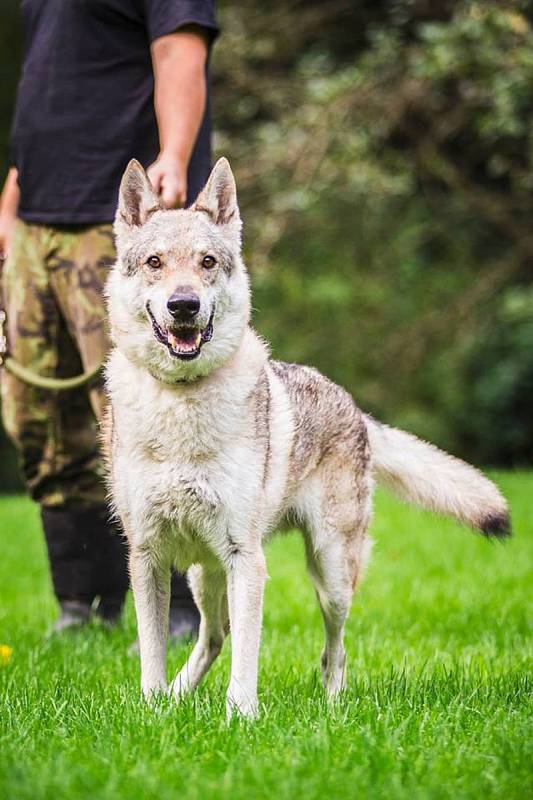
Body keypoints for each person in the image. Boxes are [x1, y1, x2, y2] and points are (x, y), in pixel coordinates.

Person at [0, 0, 218, 638]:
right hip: (37, 221)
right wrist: (13, 198)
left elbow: (179, 50)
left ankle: (181, 610)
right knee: (37, 415)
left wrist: (174, 155)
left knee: (146, 415)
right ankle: (83, 606)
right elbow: (46, 91)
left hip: (122, 224)